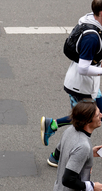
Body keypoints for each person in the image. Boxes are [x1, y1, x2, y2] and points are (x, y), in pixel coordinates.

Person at [41, 0, 102, 167]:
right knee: (81, 122)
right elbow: (83, 68)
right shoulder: (91, 36)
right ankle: (56, 154)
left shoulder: (90, 20)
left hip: (90, 84)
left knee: (95, 114)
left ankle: (53, 125)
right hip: (81, 85)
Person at [52, 100, 102, 191]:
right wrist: (92, 186)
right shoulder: (83, 145)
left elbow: (60, 153)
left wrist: (89, 155)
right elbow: (68, 179)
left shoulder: (70, 131)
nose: (101, 116)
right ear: (88, 120)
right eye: (98, 114)